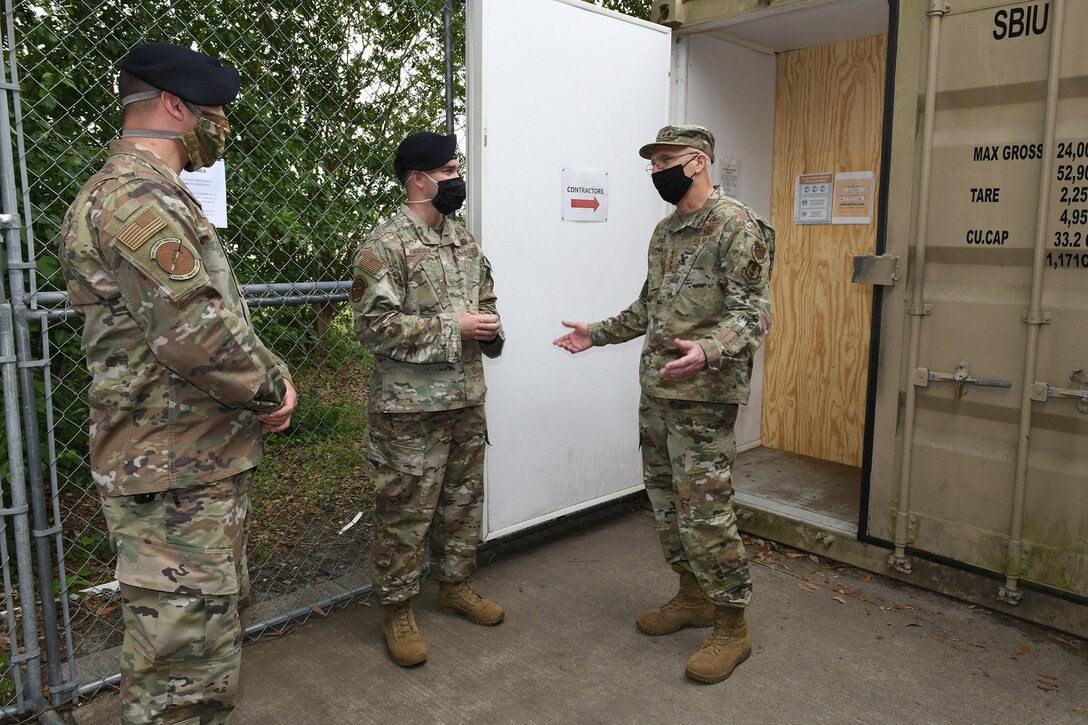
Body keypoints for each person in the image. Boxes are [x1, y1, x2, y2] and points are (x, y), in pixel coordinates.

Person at [58, 42, 297, 723]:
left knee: (196, 652)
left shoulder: (153, 197)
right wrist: (272, 388)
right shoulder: (136, 203)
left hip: (188, 466)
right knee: (182, 679)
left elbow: (206, 316)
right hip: (173, 475)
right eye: (215, 111)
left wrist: (264, 377)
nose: (220, 125)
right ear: (174, 106)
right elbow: (199, 338)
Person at [553, 125, 774, 684]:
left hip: (704, 399)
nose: (657, 172)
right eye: (653, 164)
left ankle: (732, 626)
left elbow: (753, 315)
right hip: (658, 394)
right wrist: (596, 334)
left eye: (667, 161)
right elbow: (649, 306)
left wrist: (708, 350)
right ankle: (691, 595)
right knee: (666, 501)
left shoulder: (737, 227)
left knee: (705, 509)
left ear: (698, 162)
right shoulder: (665, 231)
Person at [351, 131, 505, 667]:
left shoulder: (464, 243)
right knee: (405, 512)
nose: (456, 180)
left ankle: (455, 585)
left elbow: (486, 303)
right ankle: (397, 609)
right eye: (448, 171)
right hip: (408, 411)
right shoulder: (384, 245)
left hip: (465, 399)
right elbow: (373, 328)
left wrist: (489, 328)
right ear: (418, 179)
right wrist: (453, 326)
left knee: (462, 504)